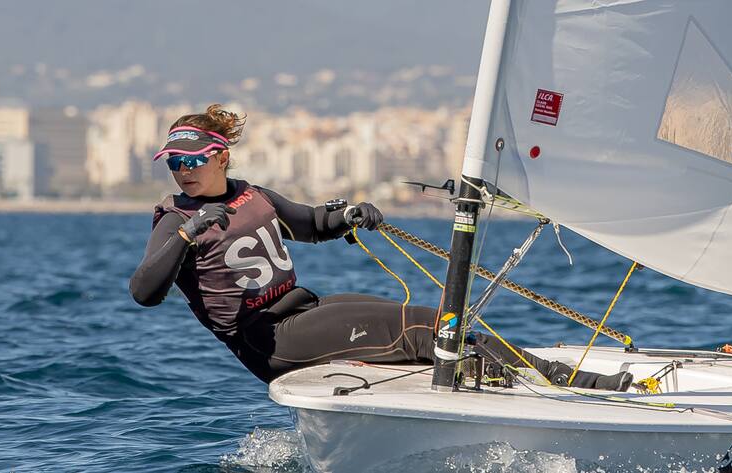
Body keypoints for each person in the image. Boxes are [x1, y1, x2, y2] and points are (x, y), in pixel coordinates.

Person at [129, 104, 633, 391]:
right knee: (423, 329)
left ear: (220, 157)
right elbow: (144, 292)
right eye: (174, 163)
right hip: (268, 339)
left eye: (192, 160)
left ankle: (511, 383)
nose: (182, 171)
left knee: (434, 322)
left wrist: (348, 216)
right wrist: (188, 235)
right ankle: (572, 384)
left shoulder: (252, 194)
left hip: (302, 308)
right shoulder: (176, 218)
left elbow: (310, 225)